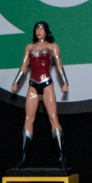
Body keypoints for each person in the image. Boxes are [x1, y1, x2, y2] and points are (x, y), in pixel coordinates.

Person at [10, 21, 69, 169]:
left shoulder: (52, 47)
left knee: (53, 118)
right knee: (28, 119)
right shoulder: (29, 48)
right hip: (32, 85)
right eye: (37, 29)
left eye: (41, 29)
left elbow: (59, 66)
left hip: (47, 83)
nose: (39, 31)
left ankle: (61, 157)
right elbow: (24, 67)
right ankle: (23, 158)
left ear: (46, 31)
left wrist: (65, 82)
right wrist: (16, 82)